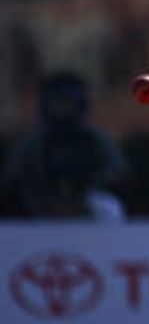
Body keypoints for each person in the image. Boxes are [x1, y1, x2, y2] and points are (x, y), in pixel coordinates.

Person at [2, 72, 129, 221]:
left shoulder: (96, 140)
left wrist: (84, 197)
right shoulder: (32, 143)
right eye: (57, 102)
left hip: (89, 211)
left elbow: (117, 173)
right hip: (40, 213)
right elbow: (14, 179)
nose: (62, 108)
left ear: (80, 104)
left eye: (67, 102)